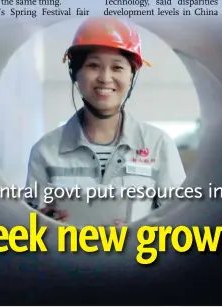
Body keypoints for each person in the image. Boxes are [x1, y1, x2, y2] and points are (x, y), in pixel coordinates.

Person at [25, 17, 186, 226]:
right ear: (75, 74)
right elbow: (28, 232)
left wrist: (137, 234)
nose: (105, 77)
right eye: (93, 65)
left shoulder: (158, 145)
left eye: (117, 67)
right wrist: (42, 223)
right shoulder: (45, 151)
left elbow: (180, 224)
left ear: (131, 77)